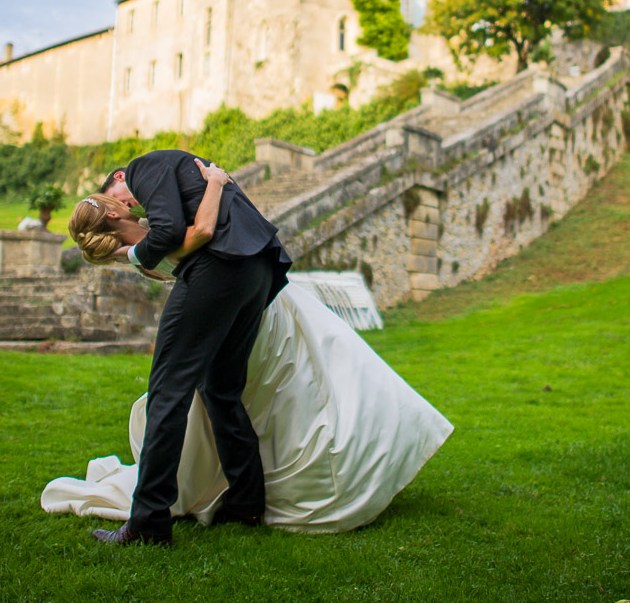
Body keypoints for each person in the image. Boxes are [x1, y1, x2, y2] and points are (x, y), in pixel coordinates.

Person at [50, 155, 453, 539]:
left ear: (119, 182)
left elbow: (184, 234)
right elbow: (181, 234)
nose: (135, 202)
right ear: (112, 214)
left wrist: (140, 249)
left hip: (221, 269)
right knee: (220, 390)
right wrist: (215, 184)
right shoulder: (155, 222)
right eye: (122, 203)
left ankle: (148, 523)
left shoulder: (143, 171)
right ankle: (246, 504)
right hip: (258, 267)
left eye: (122, 196)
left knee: (167, 394)